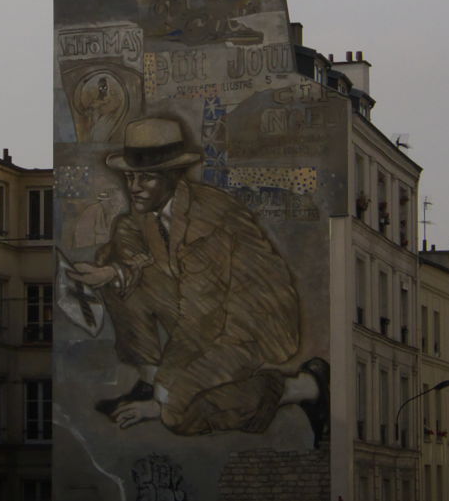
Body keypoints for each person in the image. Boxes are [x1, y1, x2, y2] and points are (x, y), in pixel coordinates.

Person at [66, 117, 329, 445]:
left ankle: (304, 387)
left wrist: (164, 396)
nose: (133, 187)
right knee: (114, 261)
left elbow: (200, 321)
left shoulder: (207, 221)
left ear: (172, 177)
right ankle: (149, 381)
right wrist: (113, 272)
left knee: (179, 414)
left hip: (252, 323)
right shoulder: (148, 211)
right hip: (206, 307)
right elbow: (131, 242)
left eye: (145, 178)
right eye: (130, 176)